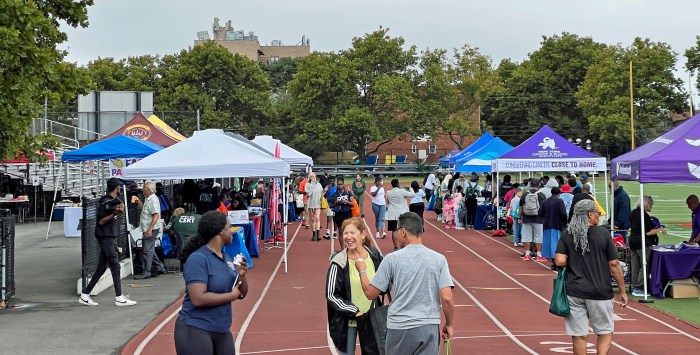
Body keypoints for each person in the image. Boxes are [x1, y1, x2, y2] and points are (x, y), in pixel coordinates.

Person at [355, 212, 455, 355]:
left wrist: (362, 271)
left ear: (402, 232)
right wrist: (449, 324)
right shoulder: (439, 259)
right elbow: (447, 298)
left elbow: (370, 293)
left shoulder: (392, 259)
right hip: (427, 326)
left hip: (399, 327)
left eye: (396, 231)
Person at [554, 200, 628, 355]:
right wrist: (622, 291)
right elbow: (614, 264)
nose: (599, 217)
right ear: (589, 214)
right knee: (605, 331)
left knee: (579, 335)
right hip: (600, 290)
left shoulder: (567, 233)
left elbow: (560, 261)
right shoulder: (603, 233)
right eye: (598, 213)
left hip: (574, 291)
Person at [174, 211, 249, 355]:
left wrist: (241, 277)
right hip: (195, 327)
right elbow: (198, 298)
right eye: (230, 227)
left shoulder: (226, 257)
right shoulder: (198, 259)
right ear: (220, 230)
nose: (232, 231)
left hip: (221, 328)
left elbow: (241, 293)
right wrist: (231, 296)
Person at [326, 218, 384, 355]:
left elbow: (385, 283)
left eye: (353, 232)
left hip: (372, 320)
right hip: (348, 322)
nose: (348, 237)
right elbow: (331, 295)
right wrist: (354, 311)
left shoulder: (374, 256)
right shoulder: (338, 262)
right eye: (345, 233)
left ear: (362, 234)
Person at [79, 177, 137, 307]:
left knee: (101, 268)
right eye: (119, 187)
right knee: (115, 266)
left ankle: (85, 294)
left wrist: (117, 210)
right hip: (106, 237)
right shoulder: (106, 202)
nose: (120, 189)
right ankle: (119, 297)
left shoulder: (112, 201)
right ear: (116, 187)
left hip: (109, 236)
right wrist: (115, 212)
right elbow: (101, 221)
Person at [629, 195, 666, 297]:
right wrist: (660, 229)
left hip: (632, 241)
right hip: (642, 243)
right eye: (651, 204)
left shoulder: (633, 213)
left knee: (635, 266)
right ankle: (639, 287)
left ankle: (634, 286)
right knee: (644, 265)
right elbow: (648, 232)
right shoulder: (643, 215)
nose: (651, 207)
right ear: (646, 204)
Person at [134, 180, 167, 280]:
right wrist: (139, 202)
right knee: (150, 249)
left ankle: (147, 271)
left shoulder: (153, 200)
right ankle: (160, 267)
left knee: (146, 250)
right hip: (149, 228)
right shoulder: (149, 199)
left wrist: (150, 229)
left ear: (148, 189)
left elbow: (156, 215)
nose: (142, 189)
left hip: (150, 228)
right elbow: (146, 209)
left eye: (144, 187)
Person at [539, 187, 567, 270]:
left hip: (547, 224)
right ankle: (557, 262)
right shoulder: (559, 201)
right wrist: (565, 222)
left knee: (549, 244)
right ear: (559, 193)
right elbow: (563, 213)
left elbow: (540, 212)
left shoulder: (545, 201)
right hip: (557, 225)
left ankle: (553, 262)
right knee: (557, 244)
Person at [519, 180, 547, 261]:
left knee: (527, 237)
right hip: (538, 219)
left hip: (526, 218)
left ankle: (527, 255)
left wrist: (519, 218)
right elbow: (543, 208)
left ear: (530, 185)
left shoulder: (524, 194)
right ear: (538, 185)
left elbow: (521, 208)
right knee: (538, 237)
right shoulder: (541, 195)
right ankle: (538, 255)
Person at [330, 177, 355, 249]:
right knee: (340, 231)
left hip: (347, 213)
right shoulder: (334, 194)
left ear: (343, 185)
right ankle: (342, 248)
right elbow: (330, 205)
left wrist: (345, 201)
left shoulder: (348, 193)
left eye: (341, 184)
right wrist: (336, 203)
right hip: (338, 214)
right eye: (338, 184)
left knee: (348, 231)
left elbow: (353, 203)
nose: (339, 186)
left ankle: (349, 246)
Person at [306, 172, 325, 241]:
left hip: (318, 204)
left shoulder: (319, 184)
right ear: (310, 178)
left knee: (317, 218)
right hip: (311, 204)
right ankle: (314, 234)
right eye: (312, 176)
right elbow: (308, 194)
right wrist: (312, 185)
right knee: (313, 219)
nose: (314, 178)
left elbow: (322, 193)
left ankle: (318, 234)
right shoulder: (307, 185)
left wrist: (324, 191)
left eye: (315, 176)